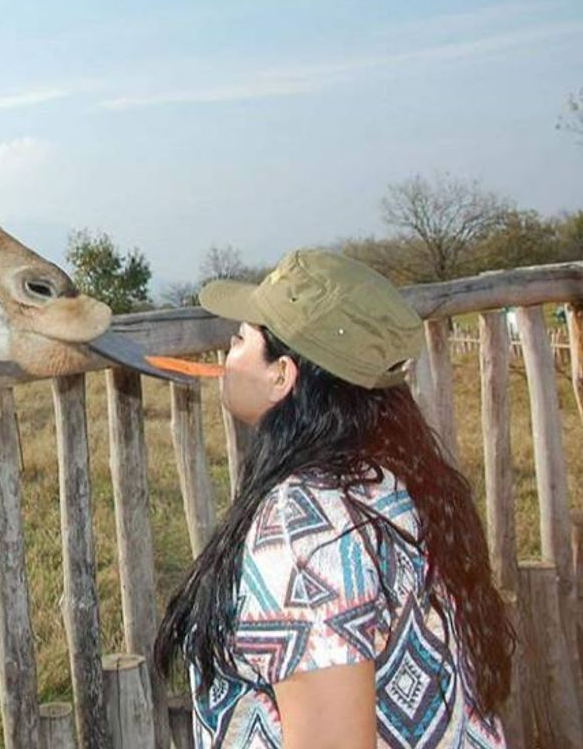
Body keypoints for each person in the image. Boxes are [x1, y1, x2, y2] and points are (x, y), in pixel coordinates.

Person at [155, 249, 513, 749]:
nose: (227, 353)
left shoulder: (309, 532)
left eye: (240, 339)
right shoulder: (396, 476)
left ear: (282, 375)